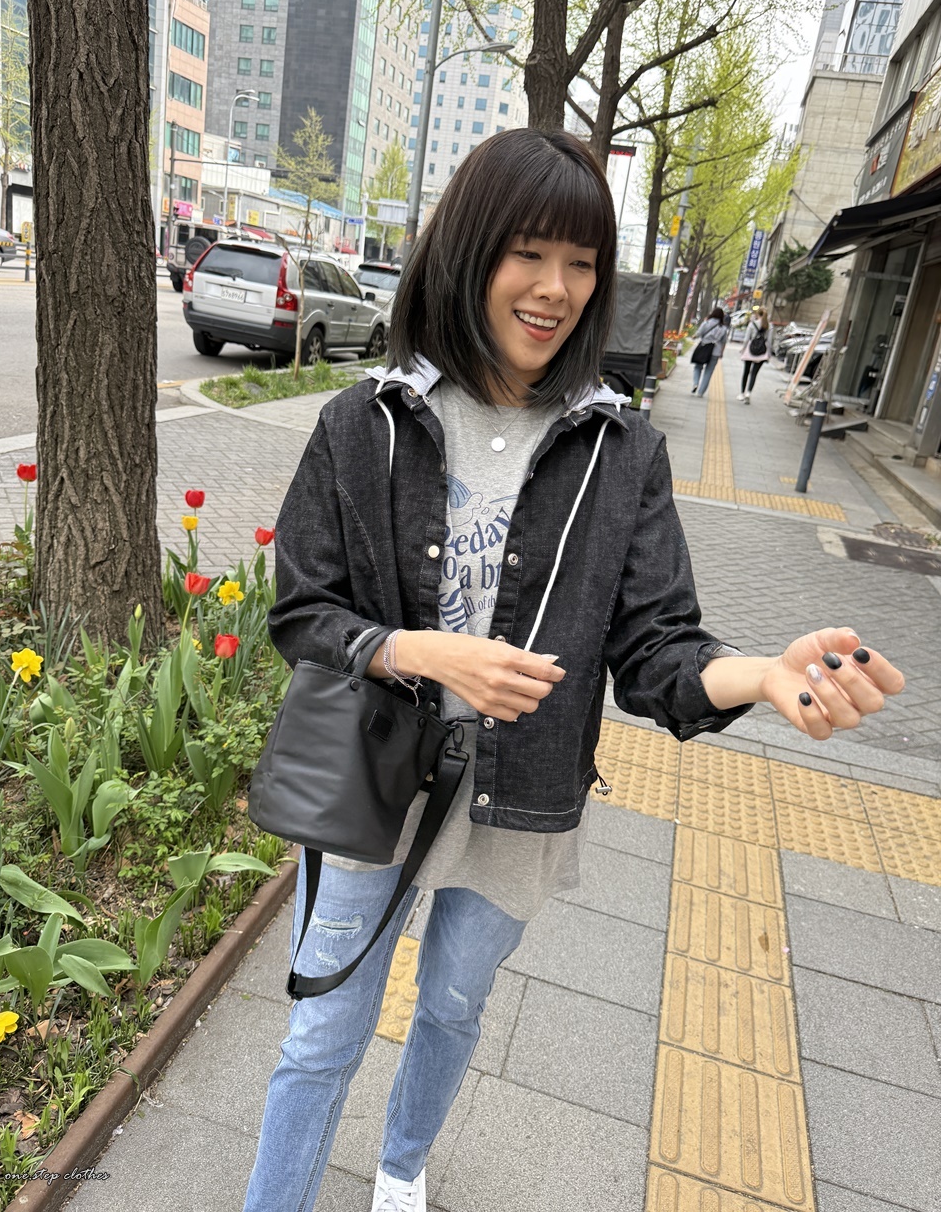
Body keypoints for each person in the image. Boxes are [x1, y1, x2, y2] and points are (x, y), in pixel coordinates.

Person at [242, 129, 905, 1212]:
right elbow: (303, 611)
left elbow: (655, 649)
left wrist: (756, 675)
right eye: (530, 253)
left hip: (527, 795)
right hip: (371, 783)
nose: (556, 288)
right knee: (323, 1031)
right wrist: (417, 650)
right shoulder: (366, 423)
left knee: (453, 1007)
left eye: (582, 262)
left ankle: (401, 1164)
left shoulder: (621, 451)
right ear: (470, 251)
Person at [690, 307, 730, 397]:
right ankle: (700, 393)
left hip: (704, 347)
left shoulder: (706, 323)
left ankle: (695, 383)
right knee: (708, 372)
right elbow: (724, 342)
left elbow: (699, 333)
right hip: (716, 351)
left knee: (698, 367)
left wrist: (694, 336)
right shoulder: (723, 328)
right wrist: (721, 353)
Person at [737, 307, 773, 403]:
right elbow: (769, 342)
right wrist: (769, 354)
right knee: (754, 373)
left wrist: (743, 349)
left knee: (746, 372)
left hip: (751, 350)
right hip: (762, 352)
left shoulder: (752, 324)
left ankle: (742, 393)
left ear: (757, 314)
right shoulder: (769, 326)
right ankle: (749, 393)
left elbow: (746, 339)